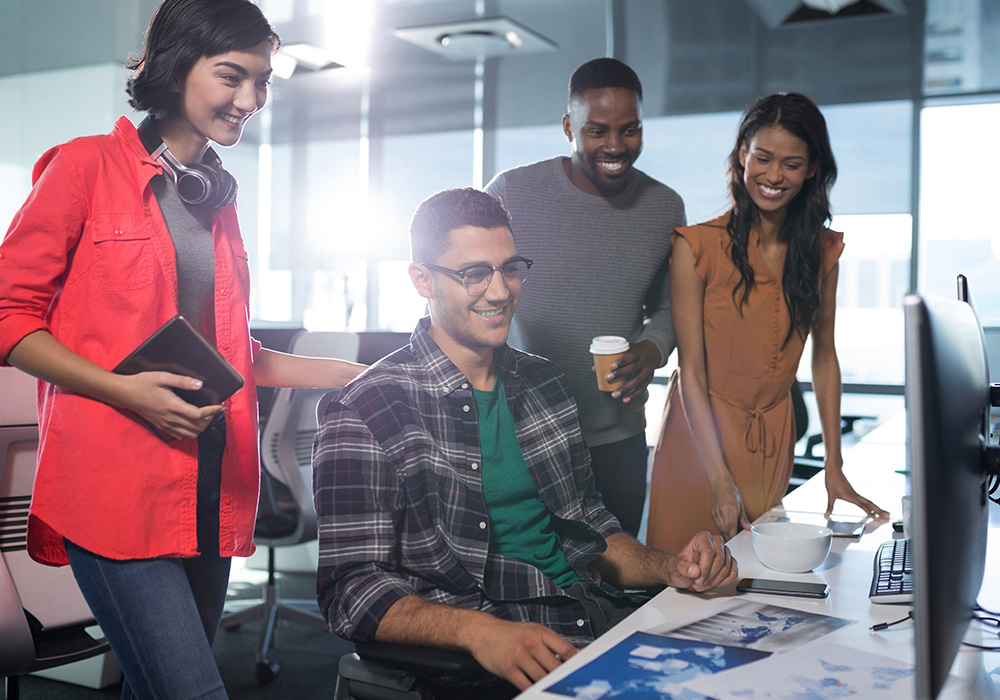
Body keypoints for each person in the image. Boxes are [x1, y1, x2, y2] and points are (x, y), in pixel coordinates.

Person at [0, 1, 365, 698]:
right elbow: (8, 317)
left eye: (263, 82)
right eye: (232, 76)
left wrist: (357, 374)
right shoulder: (83, 168)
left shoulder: (214, 199)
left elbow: (238, 354)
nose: (251, 100)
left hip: (204, 492)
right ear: (175, 68)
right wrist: (123, 388)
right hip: (112, 497)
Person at [313, 188, 737, 698]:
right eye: (473, 273)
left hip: (594, 619)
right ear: (421, 279)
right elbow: (350, 592)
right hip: (488, 656)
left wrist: (666, 567)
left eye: (510, 269)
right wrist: (479, 633)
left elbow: (592, 526)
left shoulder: (546, 383)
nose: (499, 292)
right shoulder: (365, 409)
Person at [645, 93, 889, 555]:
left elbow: (824, 357)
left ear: (813, 168)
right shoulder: (695, 247)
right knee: (682, 586)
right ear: (742, 156)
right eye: (763, 157)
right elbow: (691, 373)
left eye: (792, 163)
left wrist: (833, 467)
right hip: (698, 440)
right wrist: (718, 481)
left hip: (773, 433)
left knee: (755, 584)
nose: (774, 176)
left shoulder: (823, 251)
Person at [485, 58, 684, 537]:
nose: (615, 146)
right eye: (597, 131)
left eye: (630, 130)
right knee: (529, 584)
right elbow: (463, 288)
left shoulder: (666, 207)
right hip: (519, 434)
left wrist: (652, 348)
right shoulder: (512, 192)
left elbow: (671, 306)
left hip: (618, 439)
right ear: (568, 127)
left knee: (615, 587)